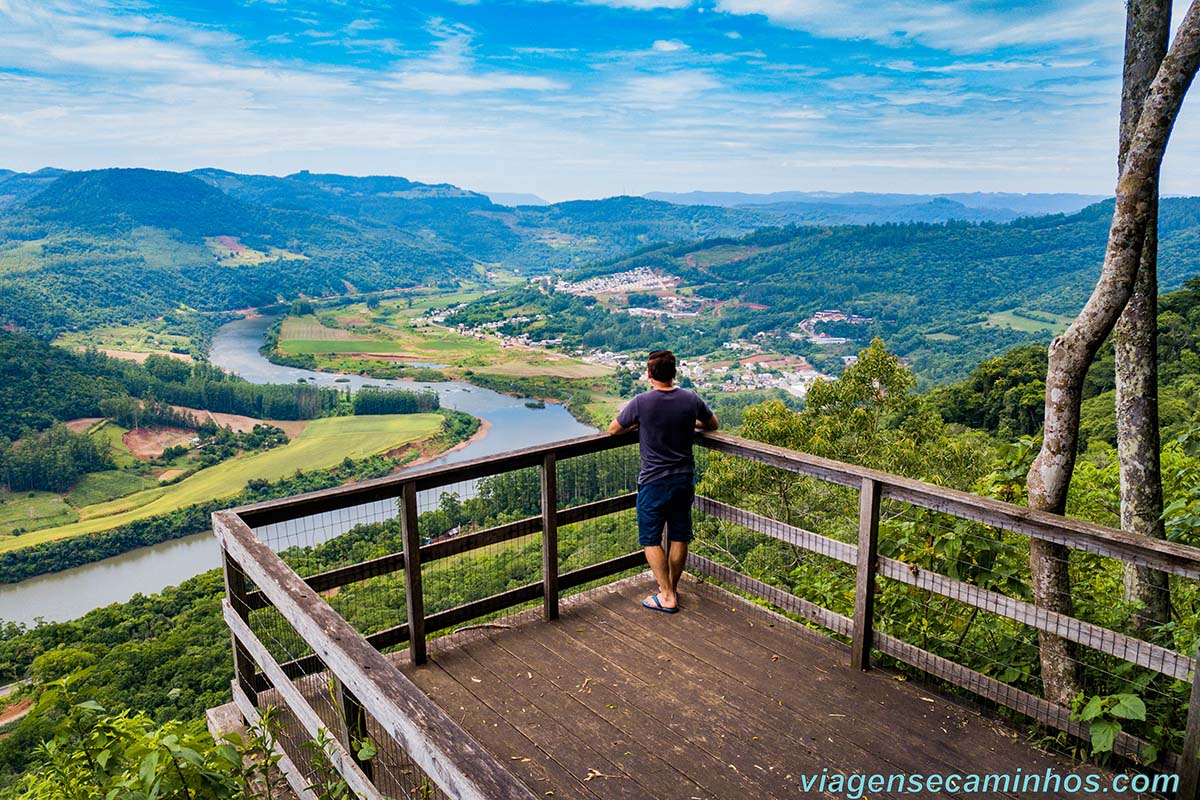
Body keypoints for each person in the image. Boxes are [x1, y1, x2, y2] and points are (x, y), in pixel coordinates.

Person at [608, 350, 718, 613]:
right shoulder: (689, 398)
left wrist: (639, 425)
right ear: (674, 373)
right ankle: (672, 590)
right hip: (683, 478)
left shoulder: (641, 402)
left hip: (653, 481)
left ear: (649, 374)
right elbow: (712, 424)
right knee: (680, 536)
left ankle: (666, 595)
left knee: (650, 539)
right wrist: (688, 424)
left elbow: (613, 430)